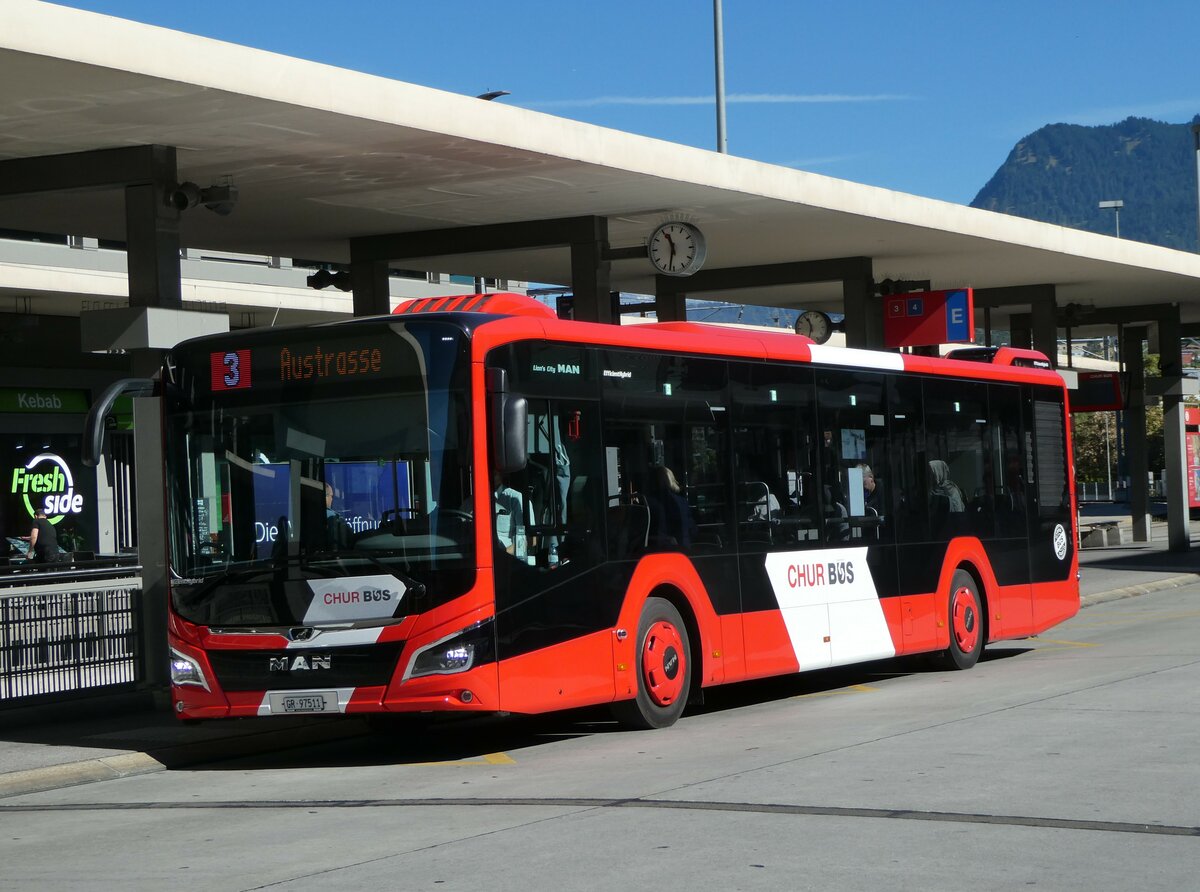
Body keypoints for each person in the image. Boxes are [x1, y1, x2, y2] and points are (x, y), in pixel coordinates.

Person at [493, 471, 526, 557]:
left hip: (507, 560)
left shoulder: (515, 499)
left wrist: (503, 554)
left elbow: (530, 540)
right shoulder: (469, 503)